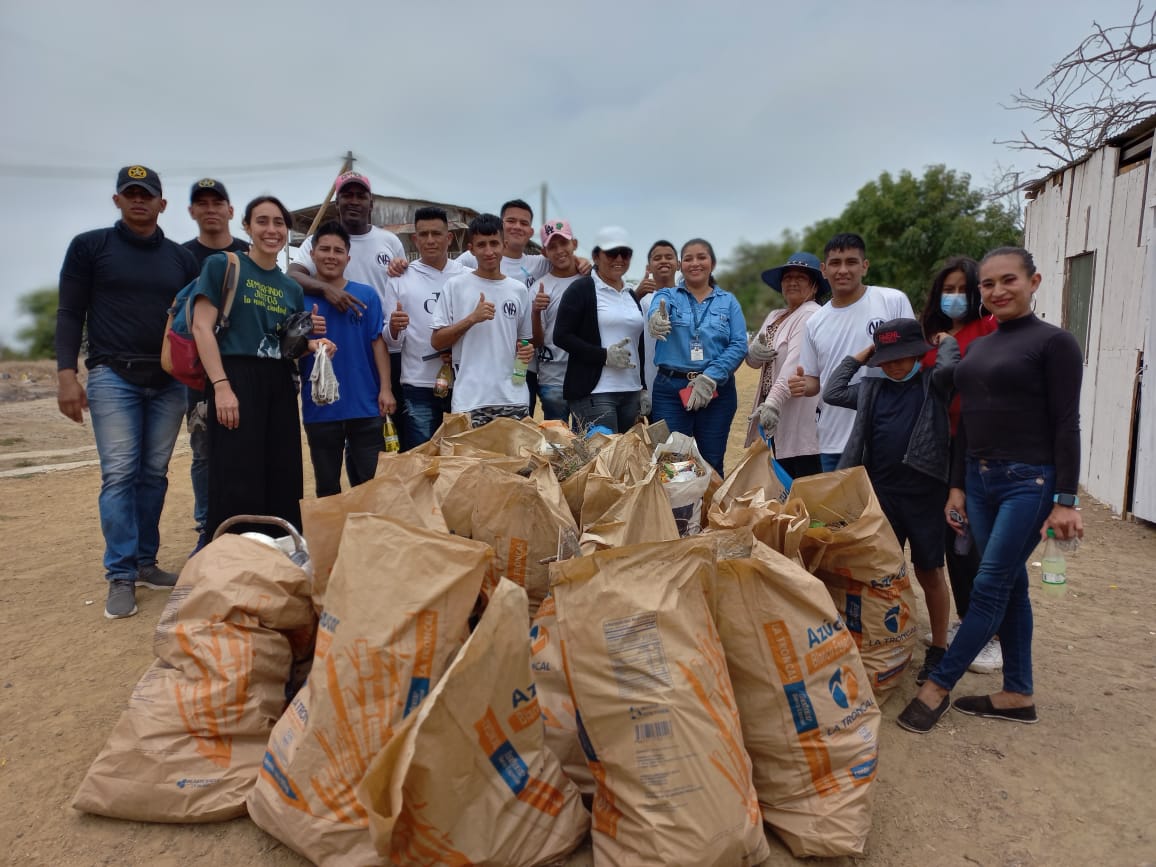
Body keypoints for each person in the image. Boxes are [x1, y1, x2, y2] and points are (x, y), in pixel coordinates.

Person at [897, 247, 1084, 734]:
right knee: (1011, 585)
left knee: (988, 585)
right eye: (988, 284)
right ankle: (1018, 694)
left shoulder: (1055, 343)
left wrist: (1066, 500)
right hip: (978, 480)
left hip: (1030, 481)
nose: (997, 291)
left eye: (1008, 280)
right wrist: (958, 487)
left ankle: (937, 688)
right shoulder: (978, 347)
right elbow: (967, 423)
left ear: (1033, 282)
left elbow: (1067, 423)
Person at [55, 165, 200, 619]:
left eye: (147, 194)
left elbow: (195, 322)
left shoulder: (180, 259)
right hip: (112, 376)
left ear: (162, 204)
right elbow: (69, 312)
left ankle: (144, 562)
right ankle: (119, 573)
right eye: (130, 193)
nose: (139, 200)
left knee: (154, 474)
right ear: (117, 199)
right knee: (119, 474)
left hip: (168, 380)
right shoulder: (90, 247)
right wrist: (65, 374)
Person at [824, 318, 960, 685]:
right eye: (886, 359)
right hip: (883, 493)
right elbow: (833, 392)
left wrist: (946, 342)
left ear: (918, 354)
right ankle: (889, 640)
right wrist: (864, 354)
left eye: (902, 357)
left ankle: (939, 647)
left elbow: (951, 368)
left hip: (926, 495)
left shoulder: (933, 384)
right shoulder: (872, 389)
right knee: (884, 573)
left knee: (929, 571)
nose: (894, 365)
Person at [191, 196, 334, 538]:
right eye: (262, 221)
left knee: (282, 470)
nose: (272, 230)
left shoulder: (290, 287)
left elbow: (285, 346)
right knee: (237, 472)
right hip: (235, 376)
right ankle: (235, 551)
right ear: (247, 227)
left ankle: (281, 549)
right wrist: (221, 386)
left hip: (279, 382)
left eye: (279, 223)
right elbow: (201, 327)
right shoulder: (224, 266)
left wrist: (313, 346)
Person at [920, 257, 1001, 673]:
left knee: (974, 541)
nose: (954, 297)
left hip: (975, 447)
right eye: (947, 289)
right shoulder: (930, 336)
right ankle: (968, 620)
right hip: (938, 449)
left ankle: (991, 635)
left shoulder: (989, 330)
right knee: (954, 543)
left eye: (962, 289)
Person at [290, 171, 407, 444]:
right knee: (336, 422)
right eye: (347, 195)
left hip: (383, 346)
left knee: (382, 432)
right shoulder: (317, 240)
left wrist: (402, 267)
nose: (354, 201)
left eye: (360, 196)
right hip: (335, 344)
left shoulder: (390, 242)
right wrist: (327, 289)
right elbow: (292, 275)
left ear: (371, 203)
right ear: (337, 202)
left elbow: (402, 283)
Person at [788, 233, 914, 471]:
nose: (843, 270)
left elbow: (914, 361)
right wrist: (803, 386)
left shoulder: (892, 301)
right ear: (824, 270)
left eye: (851, 262)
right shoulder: (815, 322)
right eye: (835, 263)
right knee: (839, 498)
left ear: (864, 266)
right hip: (834, 439)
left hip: (887, 434)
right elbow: (814, 380)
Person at [299, 222, 394, 497]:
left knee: (371, 486)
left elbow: (377, 342)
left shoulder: (366, 295)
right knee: (327, 487)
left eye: (338, 251)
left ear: (348, 258)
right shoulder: (299, 298)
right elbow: (289, 349)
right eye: (324, 249)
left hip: (365, 405)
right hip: (320, 407)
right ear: (313, 254)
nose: (331, 256)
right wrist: (307, 336)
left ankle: (367, 527)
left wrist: (386, 389)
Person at [182, 178, 250, 553]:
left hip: (247, 371)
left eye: (217, 202)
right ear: (191, 210)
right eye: (202, 203)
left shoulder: (248, 254)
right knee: (205, 453)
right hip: (198, 375)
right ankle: (207, 531)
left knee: (247, 449)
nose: (210, 209)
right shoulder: (179, 257)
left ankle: (246, 526)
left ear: (230, 210)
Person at [647, 238, 747, 476]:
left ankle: (709, 502)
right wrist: (656, 319)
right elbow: (657, 309)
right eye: (688, 259)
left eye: (701, 257)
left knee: (711, 461)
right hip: (671, 391)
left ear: (713, 263)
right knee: (673, 463)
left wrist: (711, 376)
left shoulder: (728, 301)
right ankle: (677, 503)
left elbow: (739, 344)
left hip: (716, 391)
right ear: (680, 265)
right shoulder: (667, 295)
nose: (695, 263)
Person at [430, 213, 534, 427]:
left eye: (494, 243)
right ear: (471, 249)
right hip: (470, 401)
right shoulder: (455, 286)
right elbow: (437, 341)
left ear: (504, 245)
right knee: (468, 452)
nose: (489, 252)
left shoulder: (518, 290)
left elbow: (524, 342)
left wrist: (526, 351)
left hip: (513, 400)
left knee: (516, 452)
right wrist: (472, 319)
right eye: (481, 245)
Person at [553, 226, 647, 432]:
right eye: (612, 253)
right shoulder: (581, 289)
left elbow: (637, 342)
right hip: (595, 392)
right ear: (596, 256)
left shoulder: (630, 294)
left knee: (627, 452)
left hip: (631, 390)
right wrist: (603, 355)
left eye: (625, 253)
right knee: (601, 451)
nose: (619, 259)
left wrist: (643, 387)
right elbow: (561, 336)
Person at [384, 206, 464, 446]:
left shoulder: (467, 276)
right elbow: (390, 341)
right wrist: (395, 328)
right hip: (418, 383)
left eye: (437, 233)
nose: (430, 240)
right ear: (414, 239)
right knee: (422, 457)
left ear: (449, 238)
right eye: (424, 234)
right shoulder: (399, 278)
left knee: (460, 458)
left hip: (463, 382)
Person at [743, 251, 827, 478]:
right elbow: (753, 362)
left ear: (814, 286)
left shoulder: (811, 314)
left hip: (798, 411)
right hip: (775, 414)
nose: (792, 282)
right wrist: (754, 353)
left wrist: (772, 403)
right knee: (784, 478)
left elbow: (794, 365)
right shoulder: (775, 316)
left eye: (801, 277)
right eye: (788, 277)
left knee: (804, 475)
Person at [531, 219, 583, 423]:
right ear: (544, 252)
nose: (559, 250)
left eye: (564, 243)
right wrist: (536, 312)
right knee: (556, 439)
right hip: (552, 379)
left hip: (586, 377)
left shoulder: (591, 281)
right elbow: (535, 341)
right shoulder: (538, 289)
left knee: (588, 437)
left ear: (574, 244)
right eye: (552, 246)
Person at [633, 240, 679, 396]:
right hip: (650, 378)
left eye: (669, 257)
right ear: (649, 267)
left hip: (683, 377)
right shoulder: (640, 296)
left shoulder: (688, 297)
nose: (664, 261)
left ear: (678, 264)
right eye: (657, 258)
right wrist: (636, 296)